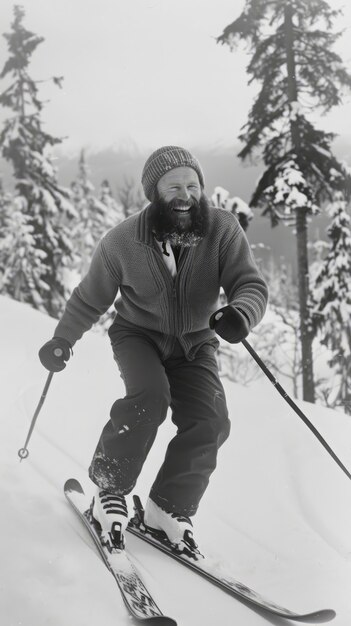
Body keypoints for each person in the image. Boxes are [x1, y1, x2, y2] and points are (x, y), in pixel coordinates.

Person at [39, 146, 268, 554]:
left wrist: (240, 313)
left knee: (211, 421)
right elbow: (90, 298)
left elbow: (249, 284)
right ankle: (109, 491)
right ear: (154, 192)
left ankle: (166, 508)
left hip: (196, 342)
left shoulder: (222, 229)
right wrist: (62, 340)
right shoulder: (122, 242)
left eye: (192, 184)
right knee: (149, 398)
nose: (185, 194)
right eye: (174, 185)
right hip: (138, 335)